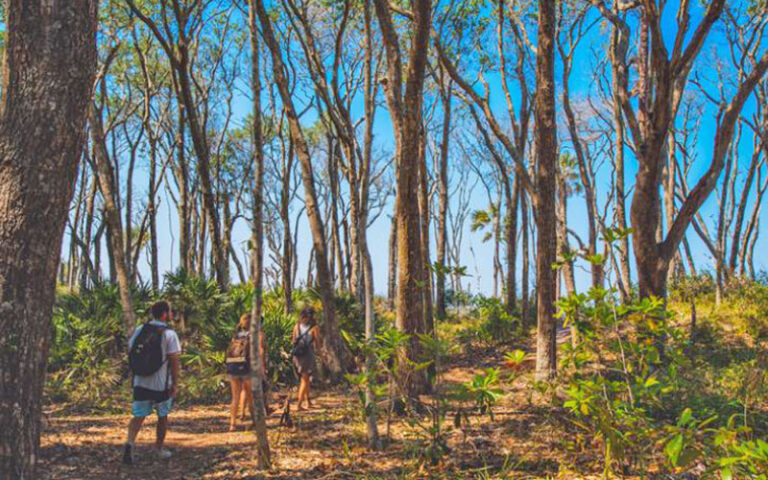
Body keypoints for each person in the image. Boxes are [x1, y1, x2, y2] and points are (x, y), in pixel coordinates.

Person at [122, 301, 181, 465]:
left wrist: (134, 376)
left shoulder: (141, 329)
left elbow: (131, 351)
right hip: (161, 384)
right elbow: (174, 361)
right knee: (162, 416)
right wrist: (175, 383)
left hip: (140, 381)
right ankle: (159, 448)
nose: (170, 314)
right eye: (169, 311)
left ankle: (129, 444)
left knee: (138, 416)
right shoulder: (169, 334)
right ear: (164, 314)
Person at [226, 313, 269, 431]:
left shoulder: (236, 336)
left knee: (235, 397)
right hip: (246, 368)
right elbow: (260, 353)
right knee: (250, 396)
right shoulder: (254, 335)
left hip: (233, 367)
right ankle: (255, 421)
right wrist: (261, 370)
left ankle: (232, 424)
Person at [291, 307, 321, 410]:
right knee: (304, 379)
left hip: (297, 355)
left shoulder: (297, 326)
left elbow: (293, 340)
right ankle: (299, 404)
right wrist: (320, 354)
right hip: (307, 355)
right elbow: (317, 343)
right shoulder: (314, 328)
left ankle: (308, 401)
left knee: (306, 378)